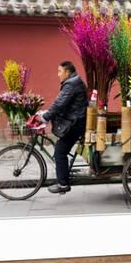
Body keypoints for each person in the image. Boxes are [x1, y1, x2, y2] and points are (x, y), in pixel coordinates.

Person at [35, 61, 88, 194]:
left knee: (60, 151)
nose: (58, 74)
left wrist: (45, 117)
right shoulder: (73, 82)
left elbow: (60, 104)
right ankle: (64, 175)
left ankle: (63, 184)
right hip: (75, 120)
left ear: (67, 72)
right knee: (61, 149)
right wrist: (46, 113)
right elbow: (60, 103)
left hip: (75, 124)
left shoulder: (71, 84)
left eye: (60, 71)